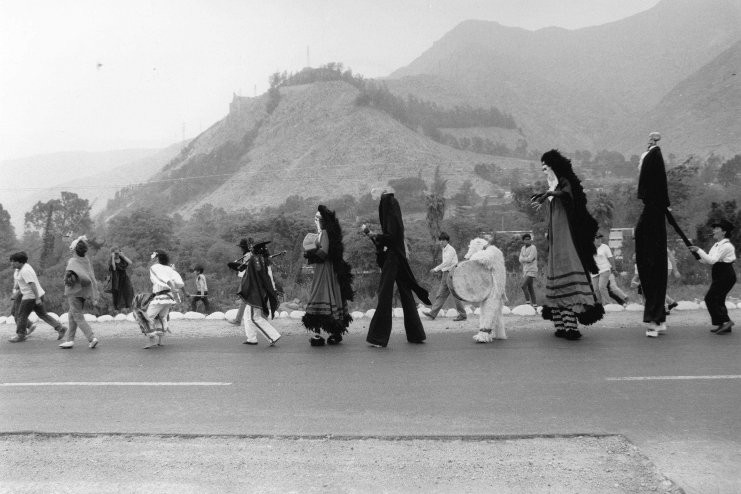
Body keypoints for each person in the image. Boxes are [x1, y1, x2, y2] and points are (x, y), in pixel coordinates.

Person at [531, 150, 603, 340]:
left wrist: (548, 194)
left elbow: (568, 196)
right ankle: (562, 326)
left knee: (567, 279)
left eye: (546, 168)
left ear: (554, 166)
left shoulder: (564, 184)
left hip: (567, 241)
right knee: (556, 282)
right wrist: (547, 195)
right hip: (556, 242)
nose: (544, 172)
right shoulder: (554, 188)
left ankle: (571, 327)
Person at [365, 186, 431, 348]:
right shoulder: (393, 206)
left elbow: (391, 237)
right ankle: (416, 334)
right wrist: (378, 237)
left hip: (394, 257)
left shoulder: (389, 204)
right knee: (406, 293)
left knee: (385, 294)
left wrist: (376, 236)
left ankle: (378, 337)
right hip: (397, 255)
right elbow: (394, 235)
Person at [302, 205, 354, 346]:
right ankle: (334, 333)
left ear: (322, 220)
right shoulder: (328, 233)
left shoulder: (324, 233)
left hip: (324, 270)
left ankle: (318, 336)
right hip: (329, 269)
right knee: (333, 296)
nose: (315, 220)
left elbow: (324, 252)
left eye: (317, 218)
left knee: (320, 296)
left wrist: (309, 252)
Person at [635, 132, 670, 337]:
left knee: (651, 271)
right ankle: (659, 318)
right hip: (653, 218)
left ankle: (654, 320)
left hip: (651, 223)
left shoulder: (652, 212)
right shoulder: (655, 208)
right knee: (653, 271)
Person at [689, 219, 737, 334]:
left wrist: (699, 250)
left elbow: (712, 260)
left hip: (726, 275)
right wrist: (696, 254)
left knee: (710, 298)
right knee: (719, 300)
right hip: (719, 274)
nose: (714, 230)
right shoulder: (716, 245)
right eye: (714, 228)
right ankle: (723, 325)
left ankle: (727, 321)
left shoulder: (727, 246)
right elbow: (706, 260)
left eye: (717, 228)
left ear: (724, 232)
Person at [8, 251, 67, 342]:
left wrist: (37, 299)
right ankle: (60, 328)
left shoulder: (25, 271)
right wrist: (16, 291)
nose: (11, 263)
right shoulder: (21, 268)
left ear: (19, 262)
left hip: (30, 297)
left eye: (13, 261)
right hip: (34, 295)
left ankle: (21, 335)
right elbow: (22, 282)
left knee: (21, 316)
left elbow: (32, 285)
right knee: (43, 314)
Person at [59, 236, 100, 349]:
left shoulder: (72, 261)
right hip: (83, 292)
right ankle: (70, 340)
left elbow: (67, 278)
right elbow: (90, 276)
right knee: (71, 315)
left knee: (77, 316)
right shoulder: (86, 260)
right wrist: (94, 294)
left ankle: (91, 338)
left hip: (74, 293)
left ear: (74, 250)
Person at [238, 240, 281, 346]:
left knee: (254, 317)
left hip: (255, 292)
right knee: (248, 316)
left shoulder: (254, 259)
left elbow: (247, 275)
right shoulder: (262, 260)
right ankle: (251, 338)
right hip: (259, 291)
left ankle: (273, 336)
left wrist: (240, 268)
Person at [143, 250, 185, 349]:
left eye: (154, 258)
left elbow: (163, 278)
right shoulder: (169, 268)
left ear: (157, 258)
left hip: (161, 297)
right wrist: (184, 292)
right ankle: (160, 341)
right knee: (162, 317)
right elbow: (179, 281)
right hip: (169, 297)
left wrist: (172, 286)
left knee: (147, 318)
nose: (152, 260)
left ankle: (151, 339)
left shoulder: (155, 267)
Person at [469, 235, 508, 343]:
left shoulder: (491, 252)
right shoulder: (497, 251)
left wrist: (471, 258)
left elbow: (484, 259)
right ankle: (499, 333)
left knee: (487, 310)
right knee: (496, 311)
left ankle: (484, 334)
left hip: (494, 287)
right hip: (498, 286)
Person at [422, 232, 466, 322]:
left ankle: (462, 315)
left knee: (455, 294)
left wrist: (436, 269)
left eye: (443, 240)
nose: (441, 242)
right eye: (440, 240)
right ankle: (432, 314)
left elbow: (447, 262)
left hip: (452, 273)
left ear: (447, 241)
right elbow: (445, 264)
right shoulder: (444, 249)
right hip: (445, 273)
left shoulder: (451, 250)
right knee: (441, 294)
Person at [592, 233, 628, 306]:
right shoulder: (589, 247)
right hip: (594, 271)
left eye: (600, 238)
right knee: (596, 289)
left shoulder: (605, 247)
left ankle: (609, 304)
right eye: (597, 238)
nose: (599, 239)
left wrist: (614, 269)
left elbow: (610, 258)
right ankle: (600, 305)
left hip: (605, 269)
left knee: (602, 287)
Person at [226, 238, 253, 325]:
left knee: (244, 299)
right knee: (248, 300)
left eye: (242, 247)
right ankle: (261, 318)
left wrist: (234, 265)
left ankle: (238, 320)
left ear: (245, 247)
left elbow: (244, 268)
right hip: (248, 279)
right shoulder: (248, 255)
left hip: (247, 279)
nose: (240, 248)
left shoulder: (248, 255)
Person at [108, 246, 134, 313]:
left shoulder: (122, 259)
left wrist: (123, 256)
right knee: (118, 295)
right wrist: (113, 258)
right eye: (115, 253)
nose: (117, 254)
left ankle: (128, 307)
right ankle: (119, 310)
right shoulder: (111, 261)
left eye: (118, 252)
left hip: (125, 278)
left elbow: (130, 263)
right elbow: (114, 268)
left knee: (129, 291)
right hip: (117, 280)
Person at [518, 233, 538, 306]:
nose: (528, 240)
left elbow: (530, 259)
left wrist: (524, 259)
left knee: (523, 286)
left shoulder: (533, 247)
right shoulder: (523, 248)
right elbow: (520, 259)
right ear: (523, 240)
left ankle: (528, 303)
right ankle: (535, 305)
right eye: (526, 239)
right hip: (525, 270)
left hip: (532, 270)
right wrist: (526, 259)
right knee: (530, 288)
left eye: (529, 239)